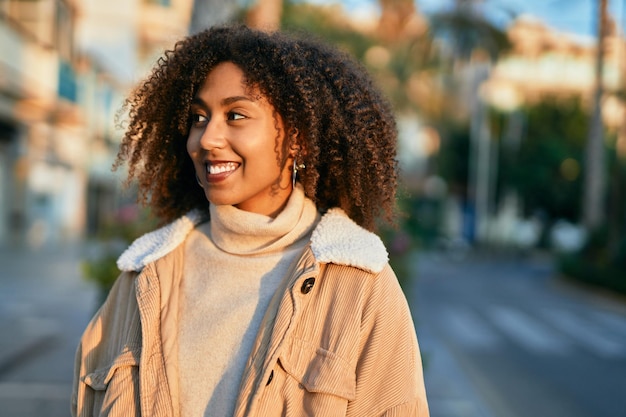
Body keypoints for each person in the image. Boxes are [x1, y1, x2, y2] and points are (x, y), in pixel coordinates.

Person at [72, 24, 430, 417]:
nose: (207, 139)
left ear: (298, 138)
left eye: (236, 114)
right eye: (198, 117)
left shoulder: (360, 288)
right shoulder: (141, 280)